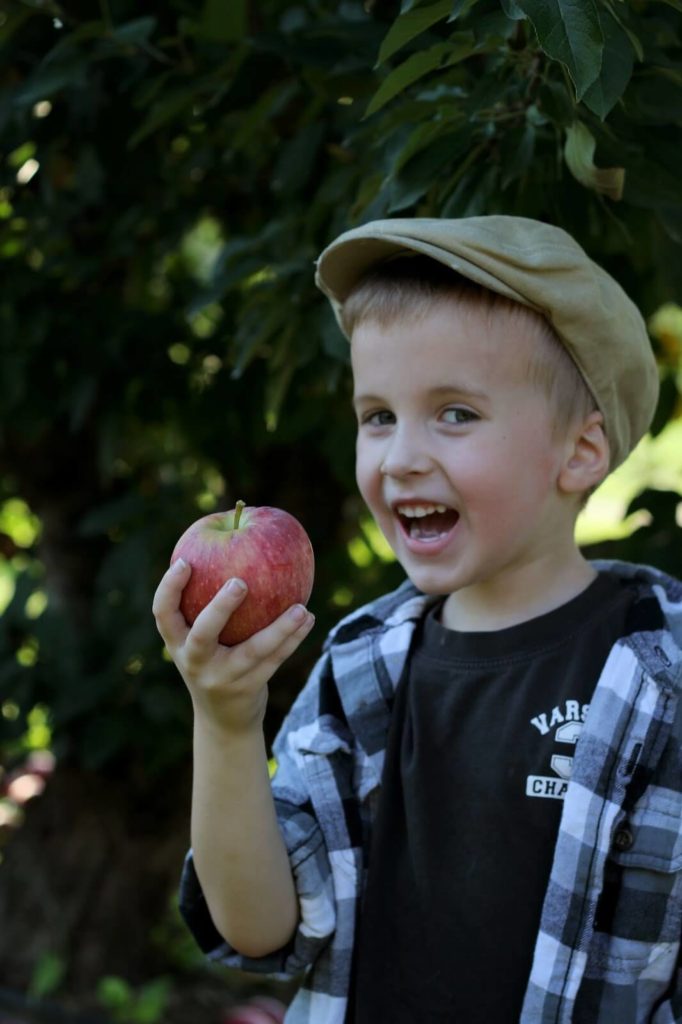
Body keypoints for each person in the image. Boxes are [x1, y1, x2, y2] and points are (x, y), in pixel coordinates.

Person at [152, 217, 682, 1024]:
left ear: (578, 453)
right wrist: (225, 722)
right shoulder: (361, 666)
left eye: (456, 414)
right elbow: (260, 930)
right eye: (378, 416)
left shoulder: (663, 678)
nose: (399, 457)